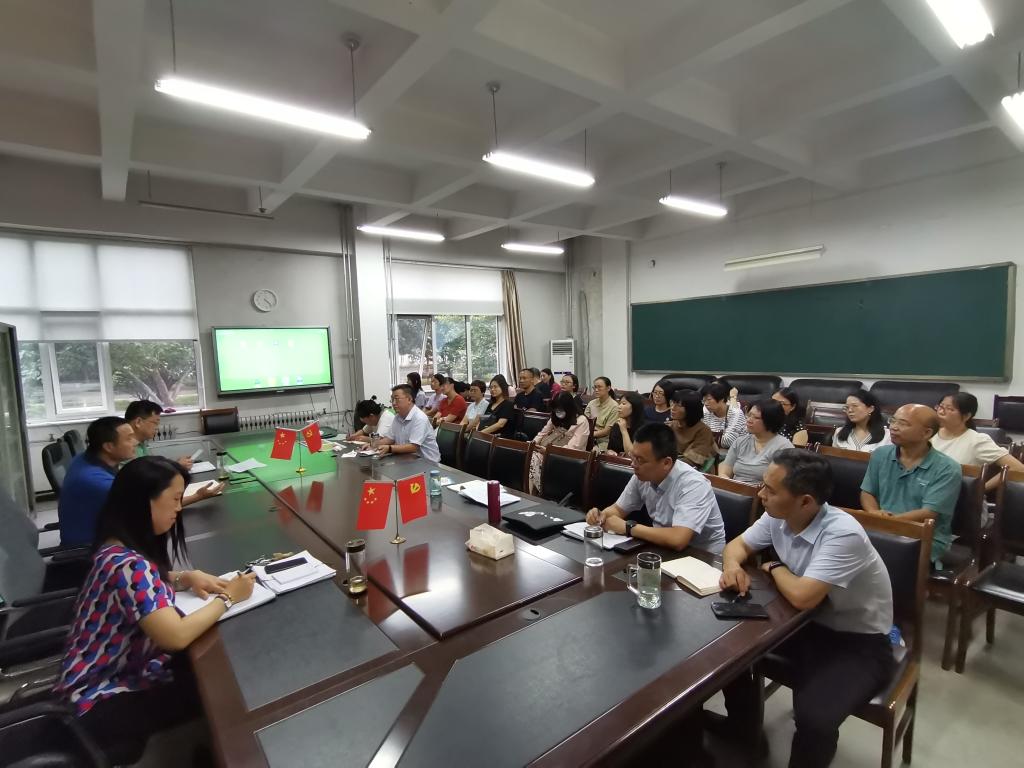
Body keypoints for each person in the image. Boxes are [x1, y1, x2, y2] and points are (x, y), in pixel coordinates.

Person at [54, 456, 256, 762]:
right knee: (222, 692)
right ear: (143, 502)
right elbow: (175, 636)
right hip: (97, 700)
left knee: (209, 668)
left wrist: (182, 577)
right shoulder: (130, 566)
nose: (179, 508)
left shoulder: (115, 547)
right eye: (174, 499)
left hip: (99, 676)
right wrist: (229, 597)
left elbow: (144, 583)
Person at [717, 450, 895, 768]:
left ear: (805, 501)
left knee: (814, 718)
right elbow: (737, 546)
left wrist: (774, 566)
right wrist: (732, 566)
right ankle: (743, 735)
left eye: (771, 490)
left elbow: (803, 596)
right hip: (802, 624)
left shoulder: (843, 533)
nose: (761, 494)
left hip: (858, 642)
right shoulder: (777, 514)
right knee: (728, 653)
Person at [59, 418, 223, 548]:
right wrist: (198, 496)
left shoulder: (86, 458)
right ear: (108, 446)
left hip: (102, 533)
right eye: (129, 438)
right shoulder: (98, 482)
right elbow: (152, 509)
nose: (135, 442)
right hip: (93, 549)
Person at [586, 423, 726, 553]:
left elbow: (678, 539)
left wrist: (628, 527)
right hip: (663, 548)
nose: (633, 464)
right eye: (633, 457)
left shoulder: (693, 485)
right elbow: (618, 509)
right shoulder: (642, 475)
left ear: (666, 463)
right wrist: (600, 516)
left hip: (703, 557)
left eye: (640, 460)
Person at [860, 404, 960, 565]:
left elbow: (929, 512)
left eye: (903, 423)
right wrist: (873, 513)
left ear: (926, 433)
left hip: (923, 536)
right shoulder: (880, 454)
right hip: (881, 527)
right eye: (893, 421)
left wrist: (887, 523)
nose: (894, 427)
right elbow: (867, 492)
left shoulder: (947, 468)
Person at [932, 391, 1024, 491]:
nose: (941, 412)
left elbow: (1018, 469)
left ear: (966, 416)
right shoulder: (929, 433)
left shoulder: (977, 441)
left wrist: (981, 490)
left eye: (949, 409)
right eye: (940, 407)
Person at [528, 391, 590, 495]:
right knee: (531, 456)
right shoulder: (555, 417)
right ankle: (535, 493)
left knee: (533, 459)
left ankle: (537, 493)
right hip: (548, 453)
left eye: (560, 409)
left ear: (569, 408)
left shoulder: (581, 421)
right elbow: (543, 433)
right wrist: (532, 444)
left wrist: (549, 451)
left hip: (569, 458)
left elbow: (573, 448)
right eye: (556, 409)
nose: (558, 412)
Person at [719, 400, 793, 485]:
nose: (749, 420)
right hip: (734, 489)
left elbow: (780, 483)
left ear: (770, 421)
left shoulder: (784, 447)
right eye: (749, 415)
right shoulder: (740, 441)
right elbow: (725, 469)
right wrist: (726, 482)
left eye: (756, 418)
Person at [376, 384, 441, 463]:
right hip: (407, 459)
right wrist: (374, 444)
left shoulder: (419, 418)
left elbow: (413, 447)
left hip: (427, 463)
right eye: (392, 399)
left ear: (409, 399)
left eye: (397, 399)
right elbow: (389, 439)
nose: (393, 403)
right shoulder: (397, 417)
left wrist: (389, 448)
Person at [125, 400, 193, 468]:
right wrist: (177, 466)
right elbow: (145, 473)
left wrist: (175, 464)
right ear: (138, 422)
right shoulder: (126, 449)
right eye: (155, 423)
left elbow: (152, 467)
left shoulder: (141, 444)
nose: (157, 428)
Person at [667, 389, 717, 469]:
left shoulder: (703, 430)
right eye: (672, 403)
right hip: (670, 465)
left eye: (679, 405)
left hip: (695, 470)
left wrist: (664, 464)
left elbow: (693, 461)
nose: (672, 408)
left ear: (691, 409)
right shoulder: (671, 426)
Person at [701, 381, 745, 452]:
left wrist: (705, 437)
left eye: (709, 399)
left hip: (736, 452)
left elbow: (728, 441)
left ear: (721, 399)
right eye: (703, 400)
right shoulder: (706, 410)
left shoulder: (735, 413)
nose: (706, 404)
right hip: (712, 450)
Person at [606, 391, 646, 457]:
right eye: (619, 403)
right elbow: (610, 448)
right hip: (617, 461)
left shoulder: (644, 429)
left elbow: (632, 455)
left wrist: (624, 430)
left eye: (623, 404)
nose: (619, 407)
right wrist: (610, 452)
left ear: (635, 407)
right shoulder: (617, 425)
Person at [585, 377, 619, 451]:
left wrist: (588, 434)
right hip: (588, 436)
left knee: (592, 451)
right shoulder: (591, 403)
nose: (596, 390)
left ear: (608, 388)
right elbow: (585, 422)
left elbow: (607, 431)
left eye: (599, 387)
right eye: (595, 387)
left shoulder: (614, 407)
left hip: (603, 440)